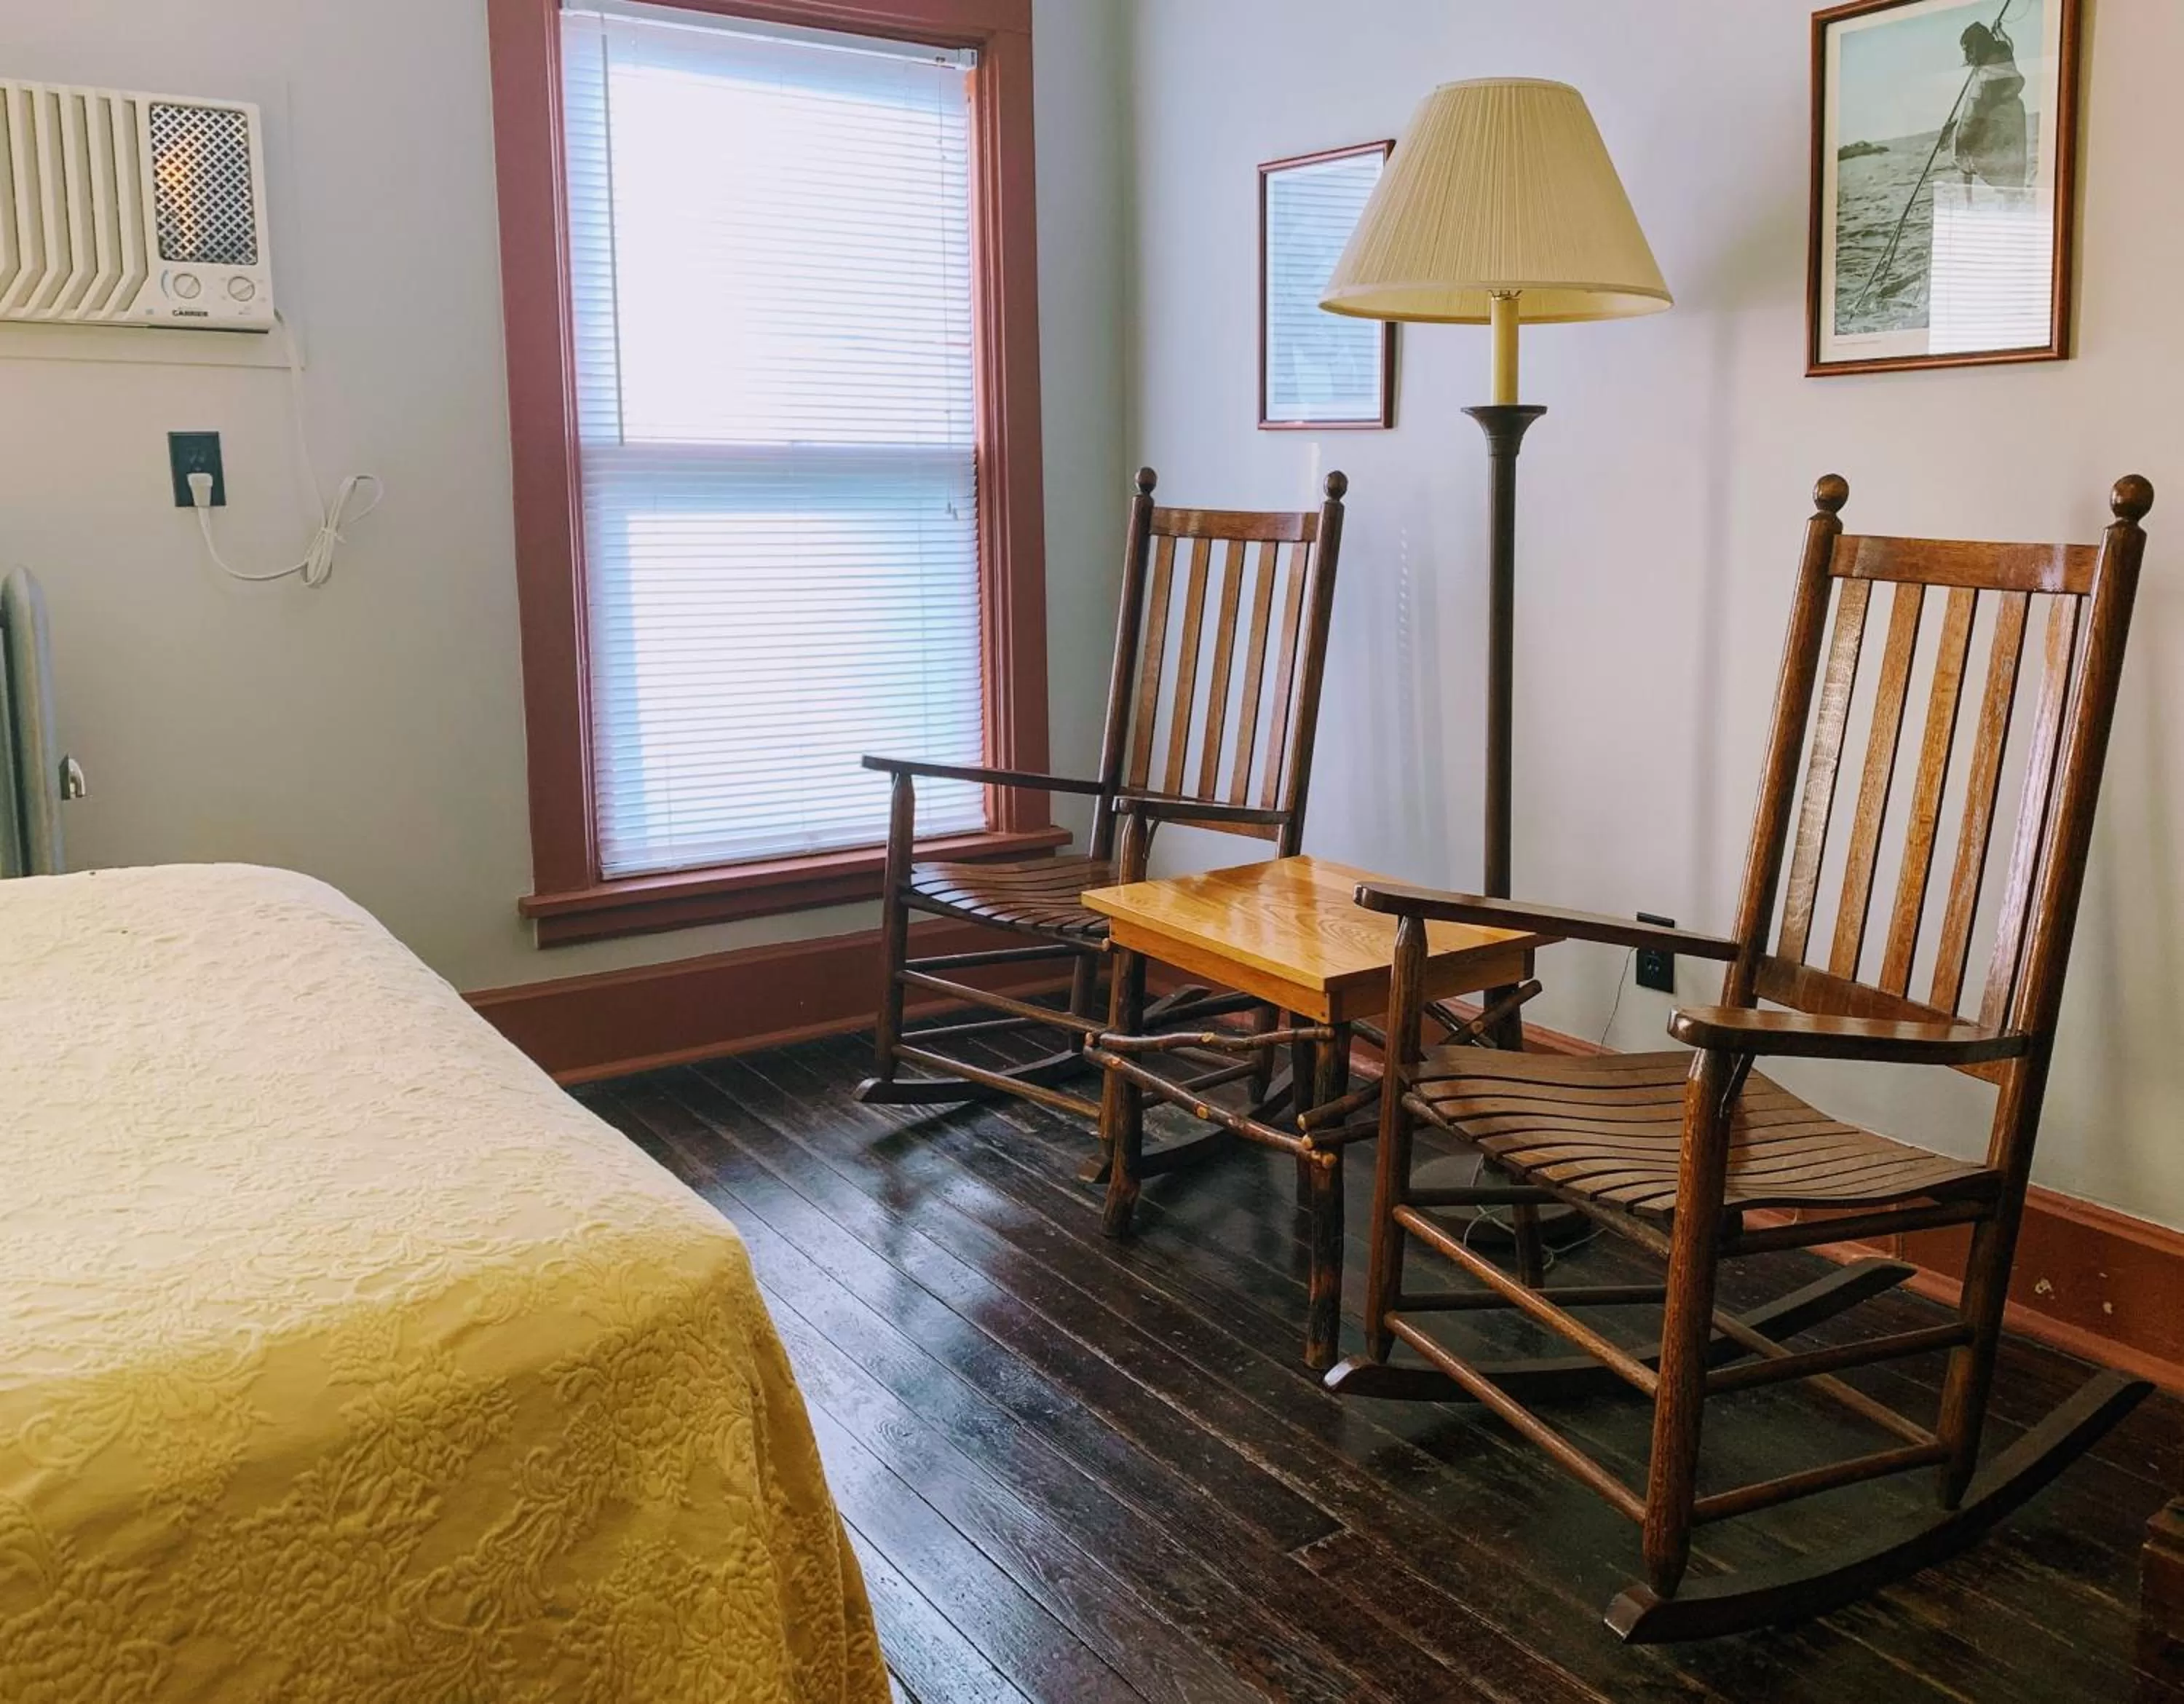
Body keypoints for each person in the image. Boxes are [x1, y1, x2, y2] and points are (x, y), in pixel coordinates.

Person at [1944, 21, 2030, 189]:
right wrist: (1999, 31)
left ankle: (1968, 199)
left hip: (1998, 119)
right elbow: (2009, 44)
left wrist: (1960, 137)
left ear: (1978, 46)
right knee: (2012, 172)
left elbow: (1978, 108)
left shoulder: (1986, 74)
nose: (1967, 55)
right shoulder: (2003, 50)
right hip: (2014, 114)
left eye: (1969, 50)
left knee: (1962, 150)